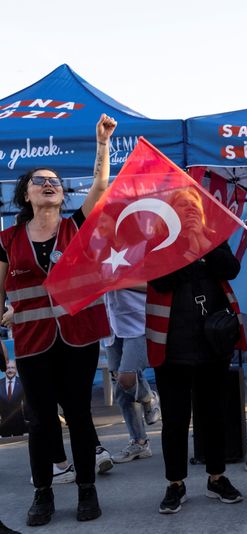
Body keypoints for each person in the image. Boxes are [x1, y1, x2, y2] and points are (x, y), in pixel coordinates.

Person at [0, 114, 116, 526]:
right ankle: (43, 493)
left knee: (80, 414)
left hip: (77, 337)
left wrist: (101, 144)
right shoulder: (7, 241)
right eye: (39, 181)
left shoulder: (76, 227)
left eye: (54, 181)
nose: (49, 184)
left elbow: (101, 187)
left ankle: (87, 489)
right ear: (26, 195)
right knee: (41, 419)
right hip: (32, 340)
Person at [146, 187, 247, 515]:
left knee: (213, 415)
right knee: (175, 420)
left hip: (212, 345)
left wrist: (202, 239)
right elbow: (162, 282)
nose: (188, 212)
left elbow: (230, 268)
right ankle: (175, 483)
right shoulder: (158, 241)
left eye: (193, 207)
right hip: (171, 347)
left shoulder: (212, 236)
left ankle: (217, 478)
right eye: (181, 207)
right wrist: (187, 249)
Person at [104, 287, 161, 464]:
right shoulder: (97, 258)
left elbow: (152, 284)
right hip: (111, 323)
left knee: (126, 379)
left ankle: (149, 398)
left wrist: (118, 282)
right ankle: (139, 442)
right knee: (120, 386)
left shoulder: (140, 257)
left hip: (138, 322)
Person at [0, 359, 25, 437]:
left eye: (12, 368)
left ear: (16, 369)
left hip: (19, 425)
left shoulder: (23, 383)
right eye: (8, 368)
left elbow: (27, 404)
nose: (10, 370)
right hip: (3, 425)